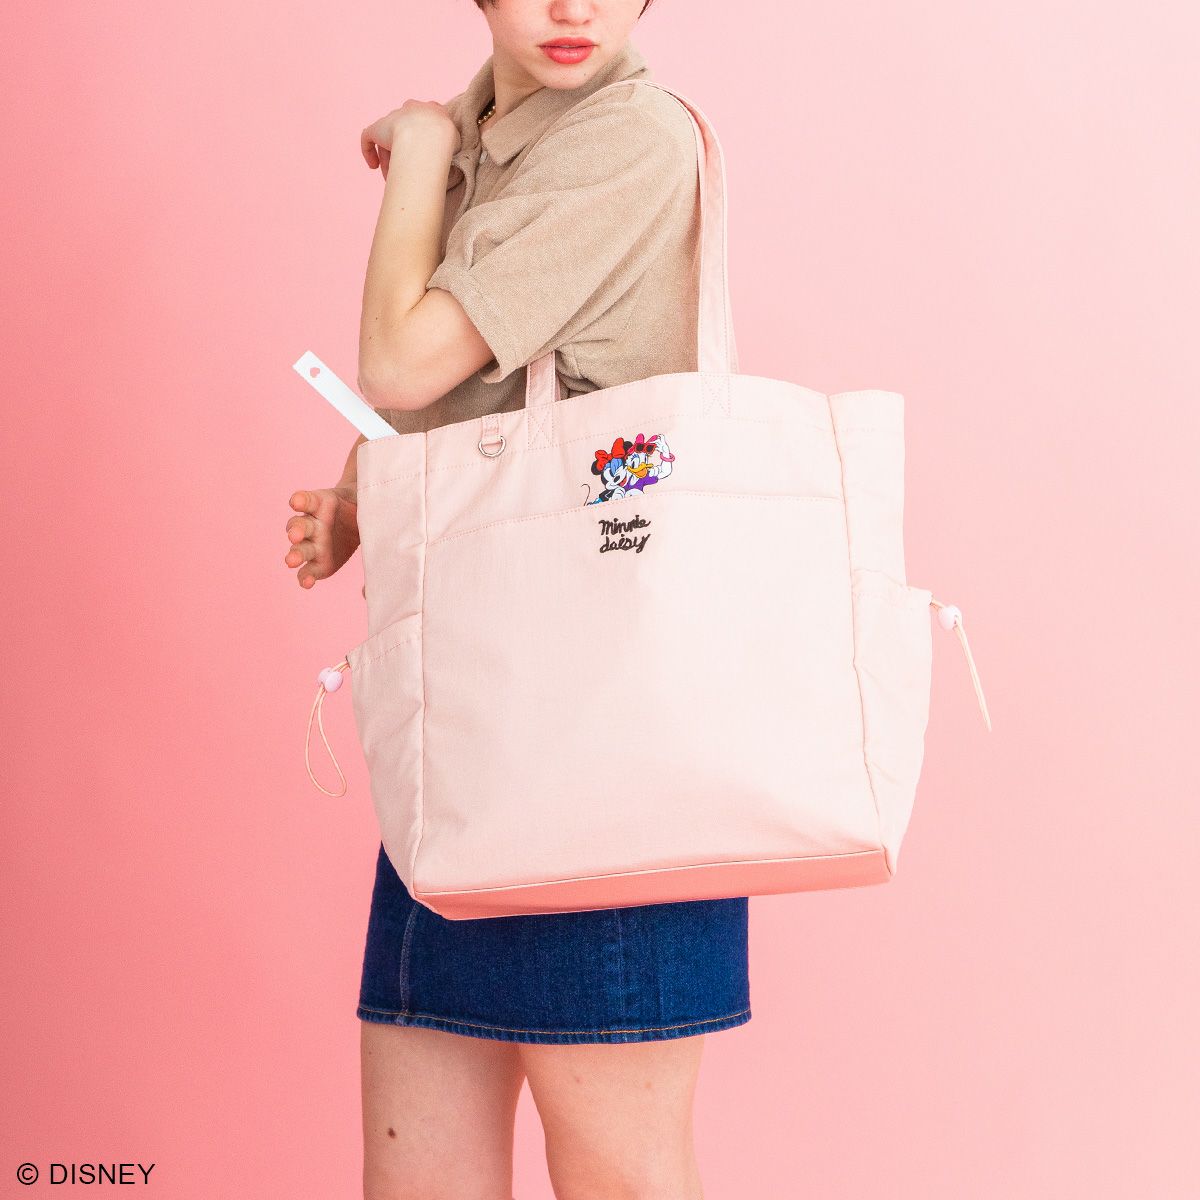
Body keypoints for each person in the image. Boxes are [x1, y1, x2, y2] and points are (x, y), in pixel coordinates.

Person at [284, 3, 750, 1197]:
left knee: (620, 1173)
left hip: (608, 751)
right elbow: (475, 397)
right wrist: (363, 495)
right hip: (469, 740)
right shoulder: (498, 129)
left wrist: (421, 153)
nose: (575, 7)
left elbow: (401, 360)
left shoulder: (628, 137)